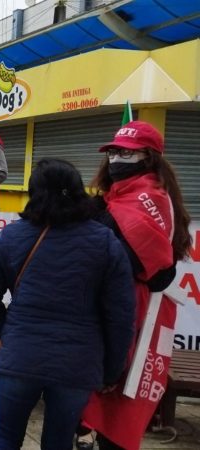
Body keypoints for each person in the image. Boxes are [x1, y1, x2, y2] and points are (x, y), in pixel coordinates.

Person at [0, 158, 135, 450]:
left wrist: (7, 332)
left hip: (20, 357)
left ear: (34, 193)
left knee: (5, 439)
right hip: (78, 365)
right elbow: (121, 316)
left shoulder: (11, 235)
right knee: (59, 443)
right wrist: (111, 370)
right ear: (77, 191)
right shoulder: (106, 242)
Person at [77, 121, 193, 450]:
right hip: (106, 306)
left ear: (148, 156)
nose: (116, 158)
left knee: (119, 399)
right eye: (113, 151)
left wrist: (100, 219)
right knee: (95, 396)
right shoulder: (117, 195)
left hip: (135, 309)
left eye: (126, 153)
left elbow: (152, 268)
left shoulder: (150, 198)